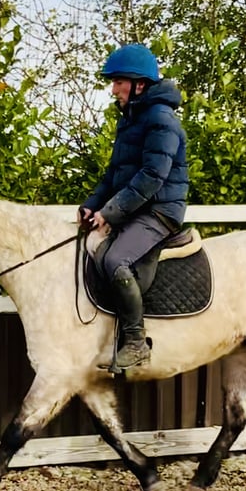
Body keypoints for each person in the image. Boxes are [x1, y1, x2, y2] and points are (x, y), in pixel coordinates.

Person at [79, 43, 189, 370]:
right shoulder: (131, 119)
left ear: (139, 85)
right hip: (137, 210)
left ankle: (137, 342)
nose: (113, 90)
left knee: (115, 259)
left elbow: (152, 177)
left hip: (159, 212)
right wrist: (91, 206)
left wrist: (109, 213)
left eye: (119, 82)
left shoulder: (161, 120)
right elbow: (115, 174)